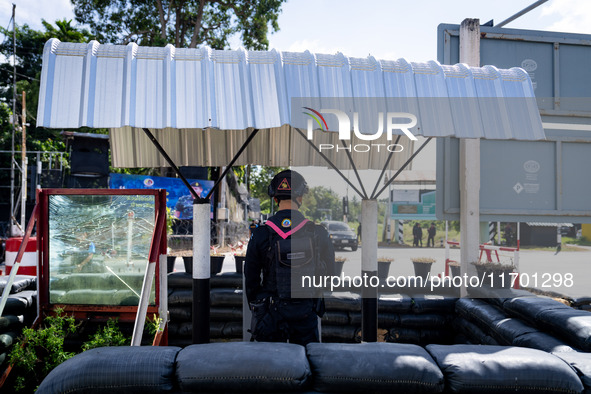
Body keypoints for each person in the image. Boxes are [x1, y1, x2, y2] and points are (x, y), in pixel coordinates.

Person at [245, 169, 335, 345]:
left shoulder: (261, 234)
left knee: (271, 370)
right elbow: (330, 277)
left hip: (270, 316)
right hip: (306, 315)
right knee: (307, 365)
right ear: (300, 198)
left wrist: (259, 308)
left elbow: (251, 278)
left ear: (275, 199)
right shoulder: (318, 233)